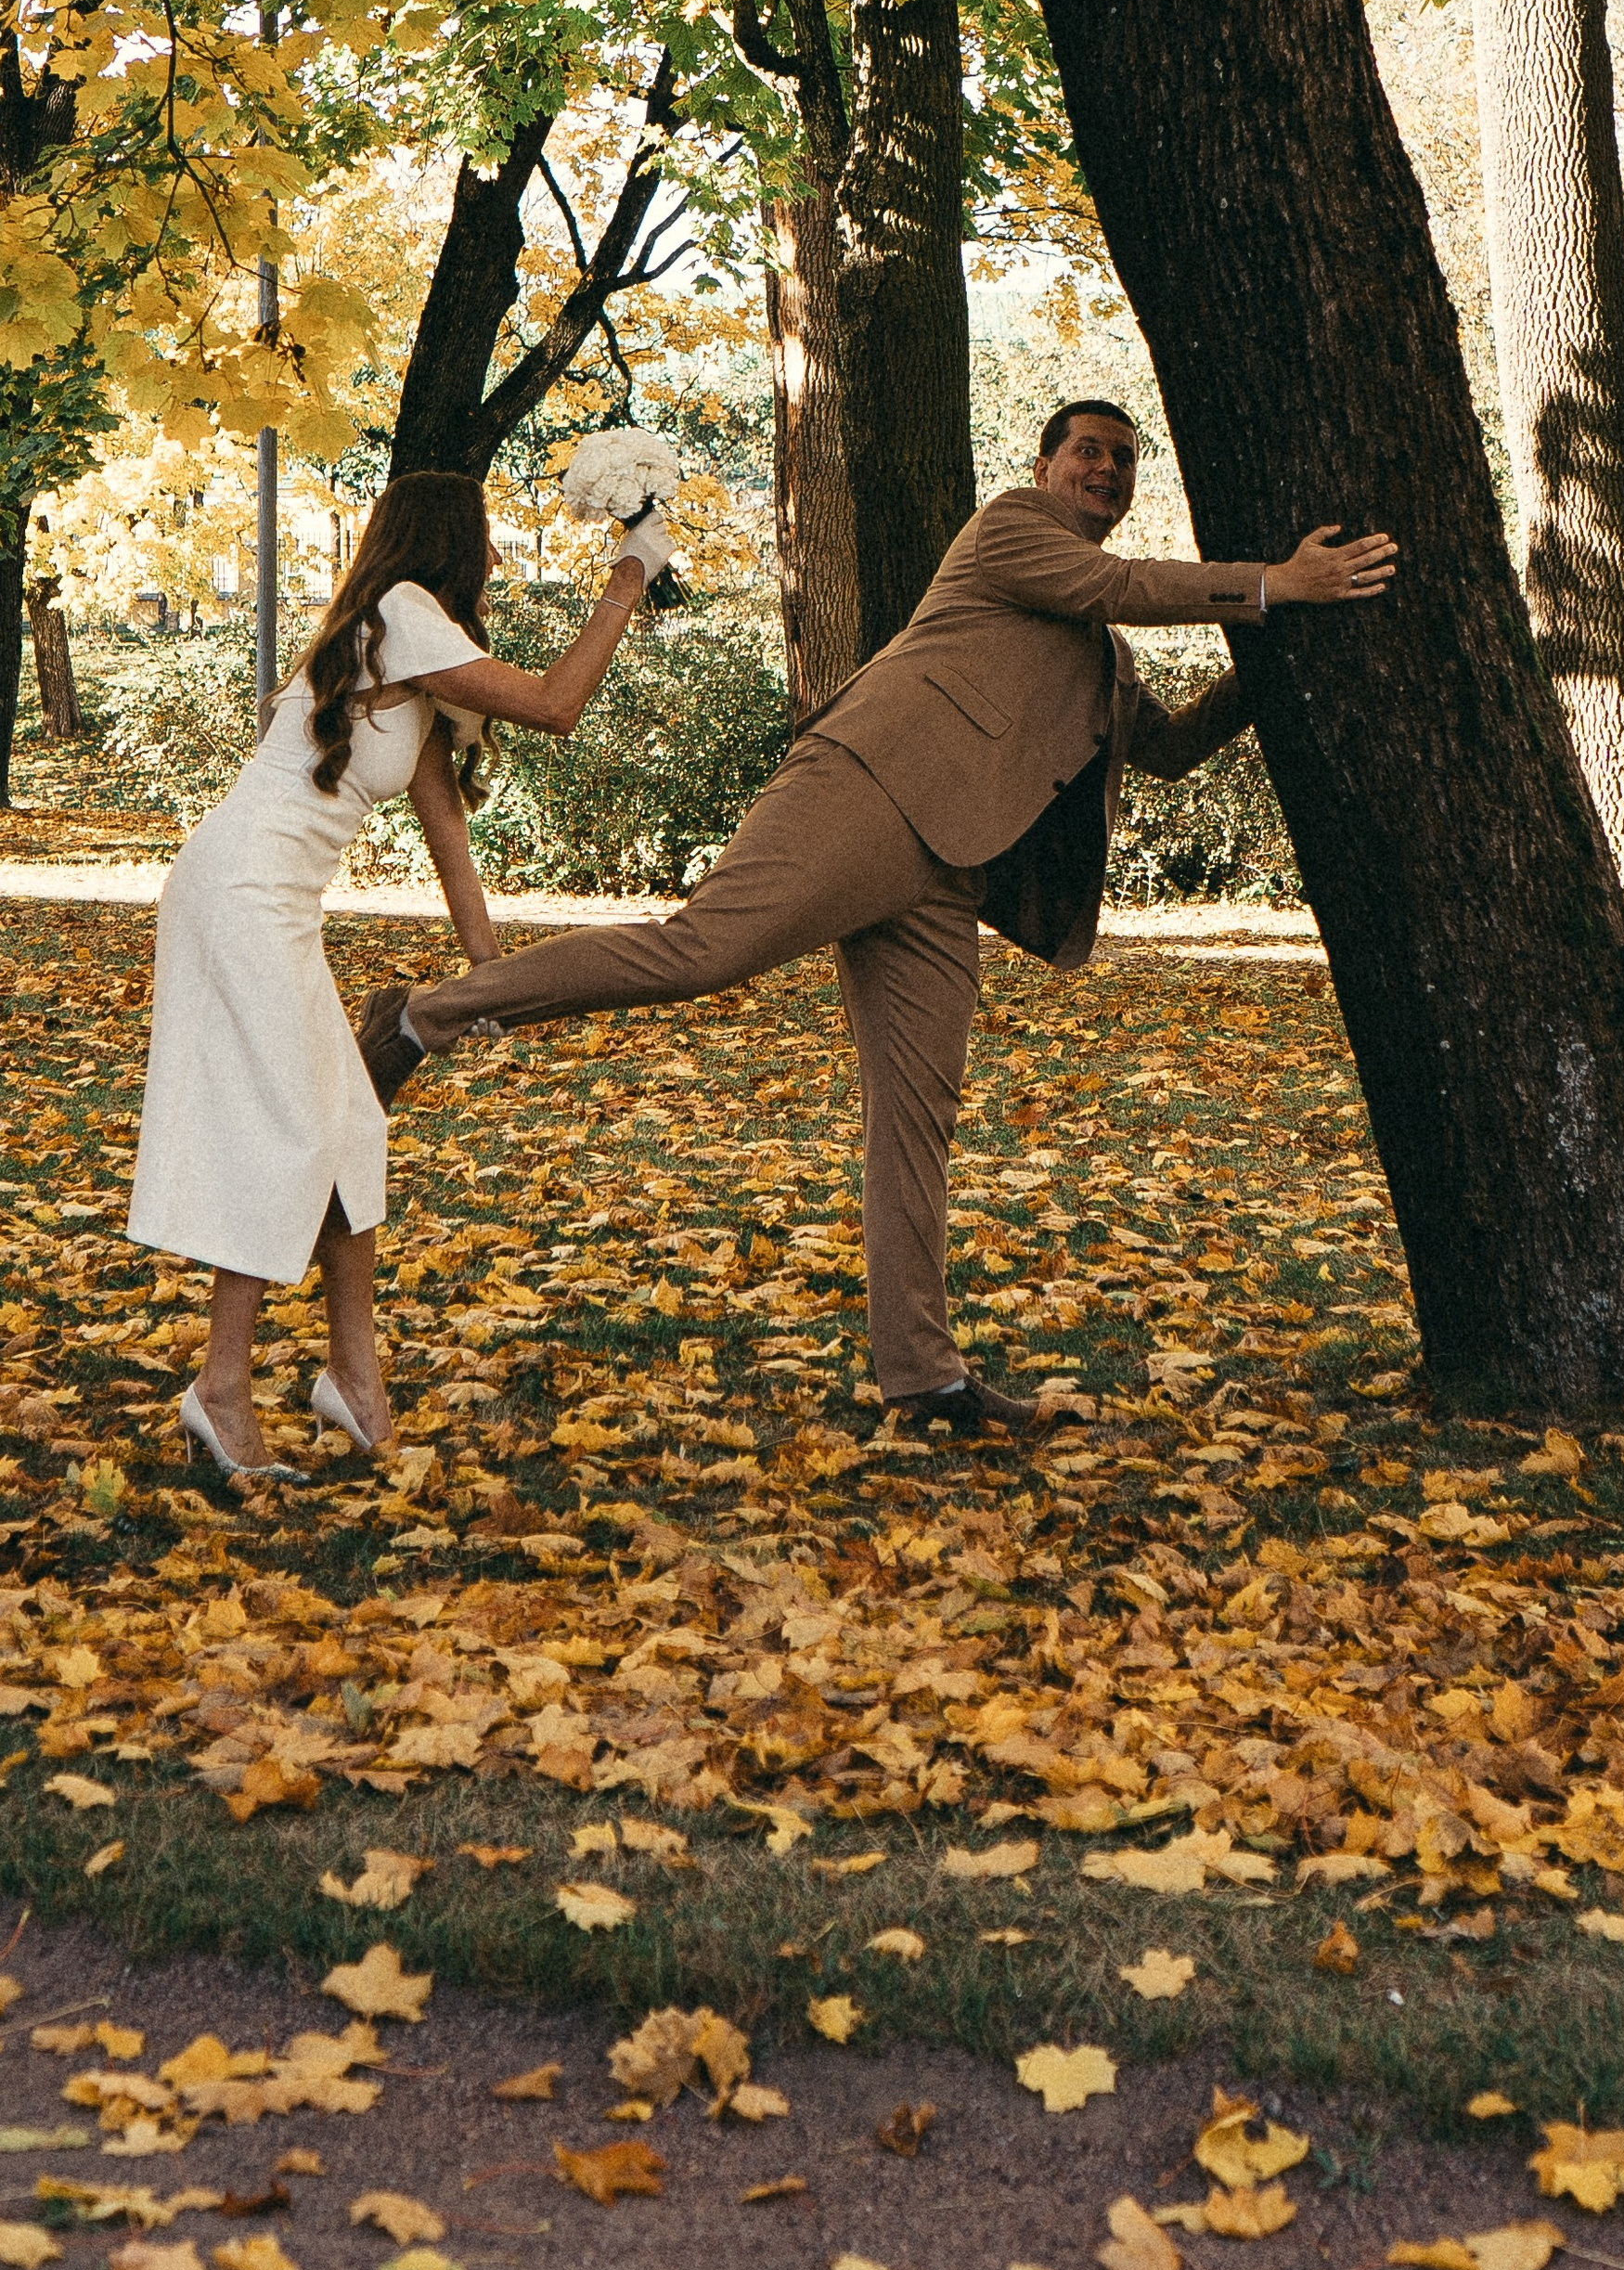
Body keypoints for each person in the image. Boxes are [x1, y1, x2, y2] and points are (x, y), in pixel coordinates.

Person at [359, 405, 1396, 1438]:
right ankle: (423, 1014)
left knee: (916, 1115)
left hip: (949, 877)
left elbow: (1164, 749)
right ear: (1044, 465)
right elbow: (1117, 582)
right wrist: (1274, 583)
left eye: (1124, 460)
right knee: (702, 949)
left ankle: (923, 1377)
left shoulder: (1107, 659)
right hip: (864, 790)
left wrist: (1280, 657)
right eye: (1089, 450)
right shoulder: (1010, 531)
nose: (1107, 470)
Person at [130, 466, 668, 1478]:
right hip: (237, 892)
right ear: (448, 547)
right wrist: (627, 579)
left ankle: (353, 1379)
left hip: (267, 898)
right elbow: (557, 705)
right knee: (291, 1128)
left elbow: (447, 833)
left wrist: (491, 978)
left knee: (351, 1128)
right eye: (488, 542)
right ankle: (221, 1386)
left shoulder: (410, 654)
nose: (500, 560)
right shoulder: (403, 611)